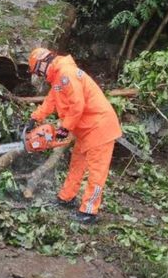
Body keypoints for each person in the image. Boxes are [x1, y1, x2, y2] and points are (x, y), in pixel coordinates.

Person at [27, 47, 122, 224]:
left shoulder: (66, 73)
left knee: (96, 173)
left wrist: (64, 128)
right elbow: (51, 101)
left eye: (38, 72)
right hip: (85, 130)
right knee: (76, 164)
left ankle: (89, 211)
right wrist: (34, 118)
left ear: (43, 64)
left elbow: (78, 104)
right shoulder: (58, 78)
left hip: (100, 128)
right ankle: (66, 197)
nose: (39, 76)